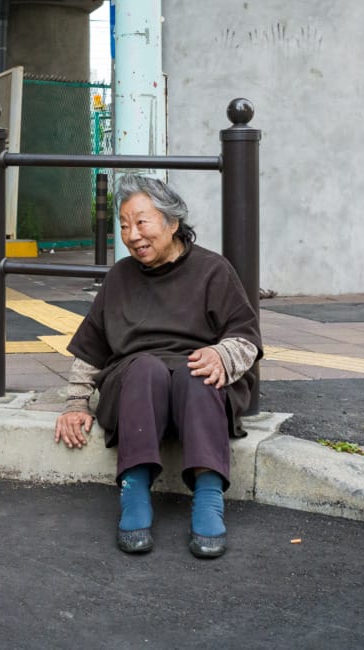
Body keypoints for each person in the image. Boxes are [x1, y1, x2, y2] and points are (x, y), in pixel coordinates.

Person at [54, 174, 262, 558]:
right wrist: (75, 404)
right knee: (145, 368)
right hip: (135, 379)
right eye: (124, 225)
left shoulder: (213, 271)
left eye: (142, 222)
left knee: (195, 371)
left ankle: (209, 495)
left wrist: (221, 355)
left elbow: (246, 338)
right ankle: (134, 493)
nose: (132, 235)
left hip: (198, 381)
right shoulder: (119, 277)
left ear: (172, 222)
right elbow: (92, 347)